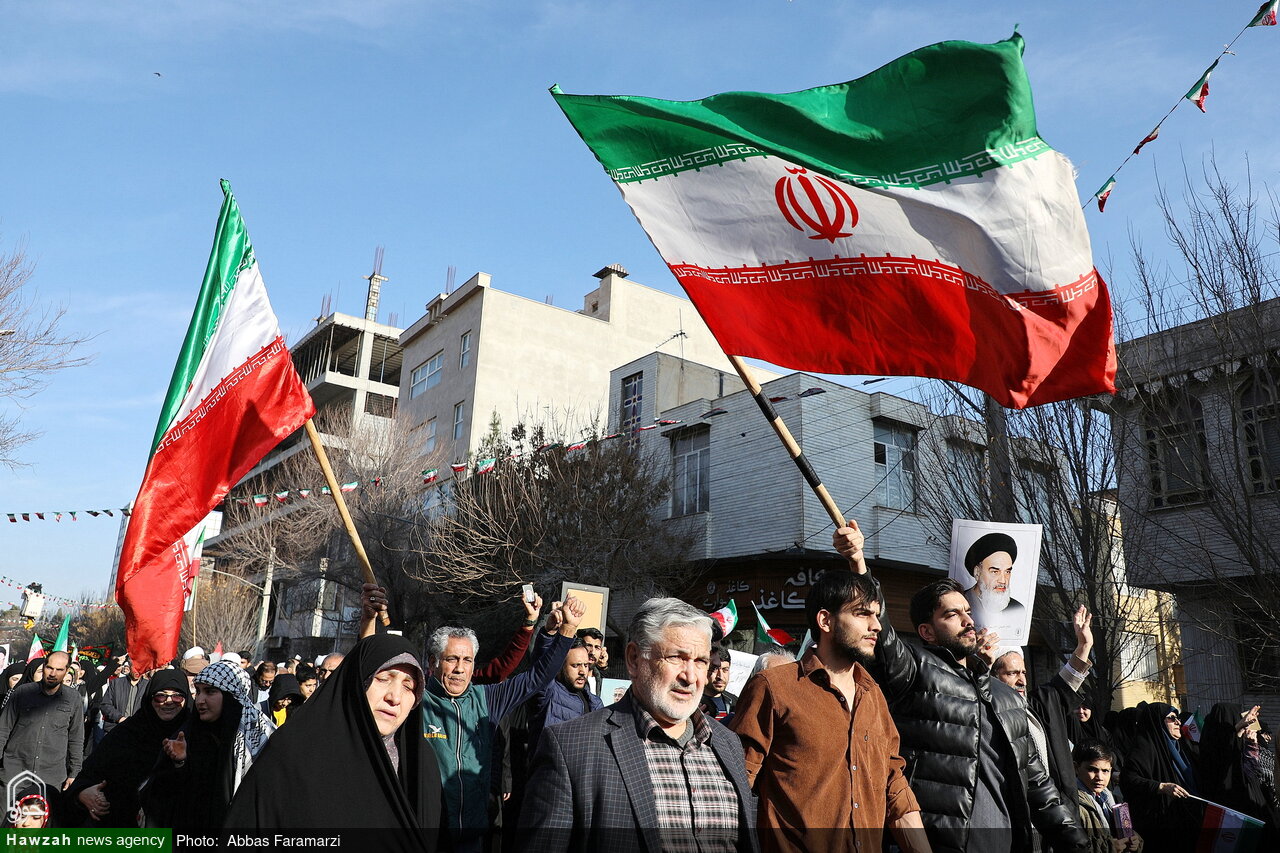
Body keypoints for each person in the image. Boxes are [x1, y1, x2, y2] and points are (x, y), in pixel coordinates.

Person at [834, 523, 1086, 853]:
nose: (968, 620)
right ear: (927, 632)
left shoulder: (1007, 697)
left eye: (967, 611)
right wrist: (858, 563)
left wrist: (1078, 844)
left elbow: (1040, 789)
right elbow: (884, 640)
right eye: (952, 614)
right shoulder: (917, 673)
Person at [518, 597, 758, 853]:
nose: (690, 677)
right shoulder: (571, 748)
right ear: (634, 659)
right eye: (676, 657)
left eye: (700, 661)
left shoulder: (728, 744)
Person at [731, 569, 927, 853]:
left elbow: (894, 786)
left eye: (876, 615)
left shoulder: (873, 696)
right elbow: (736, 785)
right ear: (825, 620)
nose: (876, 626)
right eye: (862, 614)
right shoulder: (773, 688)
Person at [224, 632, 442, 851]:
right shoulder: (295, 752)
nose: (395, 697)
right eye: (383, 679)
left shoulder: (420, 764)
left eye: (409, 686)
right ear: (358, 682)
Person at [422, 597, 581, 852]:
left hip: (471, 838)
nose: (460, 669)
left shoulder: (487, 699)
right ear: (433, 663)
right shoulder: (415, 700)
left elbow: (537, 677)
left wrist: (567, 630)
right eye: (452, 659)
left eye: (467, 660)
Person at [138, 660, 272, 830]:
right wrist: (180, 763)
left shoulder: (259, 736)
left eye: (210, 692)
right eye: (198, 691)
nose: (200, 700)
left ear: (231, 695)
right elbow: (163, 794)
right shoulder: (187, 734)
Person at [988, 606, 1095, 805]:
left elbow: (1065, 682)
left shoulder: (1037, 706)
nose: (1022, 681)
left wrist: (1084, 645)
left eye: (1023, 672)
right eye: (1012, 673)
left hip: (1060, 807)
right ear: (992, 677)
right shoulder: (987, 716)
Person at [67, 669, 189, 828]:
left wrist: (181, 762)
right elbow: (90, 773)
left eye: (177, 696)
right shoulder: (126, 733)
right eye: (161, 696)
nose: (168, 702)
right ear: (149, 698)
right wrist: (82, 792)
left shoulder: (195, 734)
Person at [0, 651, 83, 824]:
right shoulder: (22, 692)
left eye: (59, 670)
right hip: (15, 770)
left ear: (67, 671)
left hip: (50, 776)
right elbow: (3, 730)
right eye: (49, 668)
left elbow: (76, 738)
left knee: (42, 825)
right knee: (7, 822)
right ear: (44, 666)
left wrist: (74, 772)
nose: (53, 673)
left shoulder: (73, 698)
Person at [1122, 702, 1203, 853]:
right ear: (1157, 722)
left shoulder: (1182, 747)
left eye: (1178, 718)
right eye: (1171, 718)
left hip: (1188, 818)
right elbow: (1128, 780)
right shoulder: (1143, 748)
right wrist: (1161, 787)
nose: (1178, 722)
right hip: (1160, 825)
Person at [1198, 703, 1278, 837]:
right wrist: (1237, 728)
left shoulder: (1242, 744)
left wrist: (1251, 745)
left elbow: (1253, 773)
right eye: (1236, 720)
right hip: (1226, 815)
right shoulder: (1210, 750)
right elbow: (1220, 753)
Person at [527, 637, 602, 756]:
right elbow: (541, 666)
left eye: (586, 665)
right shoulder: (548, 693)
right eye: (576, 665)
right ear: (560, 666)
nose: (582, 671)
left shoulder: (595, 702)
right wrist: (549, 633)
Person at [1071, 742, 1142, 853]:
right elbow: (1072, 845)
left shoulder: (1111, 799)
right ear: (1076, 767)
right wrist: (1109, 847)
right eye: (1092, 769)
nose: (1100, 777)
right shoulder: (1072, 802)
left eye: (1105, 771)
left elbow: (1126, 831)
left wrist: (1135, 840)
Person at [961, 532, 1027, 632]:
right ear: (977, 572)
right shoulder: (959, 603)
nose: (1003, 580)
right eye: (995, 572)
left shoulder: (1017, 608)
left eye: (1007, 572)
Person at [100, 658, 148, 735]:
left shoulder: (147, 686)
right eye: (135, 668)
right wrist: (119, 718)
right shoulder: (116, 683)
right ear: (129, 667)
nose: (137, 671)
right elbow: (105, 704)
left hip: (138, 731)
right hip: (114, 729)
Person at [700, 644, 736, 721]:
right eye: (714, 669)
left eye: (725, 670)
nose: (720, 676)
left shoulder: (736, 702)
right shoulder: (693, 702)